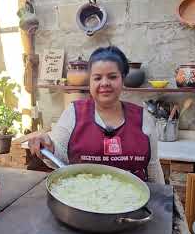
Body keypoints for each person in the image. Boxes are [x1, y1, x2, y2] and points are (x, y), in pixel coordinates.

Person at [29, 46, 164, 183]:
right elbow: (59, 159)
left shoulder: (143, 119)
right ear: (90, 82)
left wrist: (163, 198)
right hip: (83, 200)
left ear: (123, 80)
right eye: (97, 78)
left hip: (132, 202)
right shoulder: (73, 114)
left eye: (112, 77)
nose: (104, 83)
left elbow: (152, 167)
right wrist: (50, 148)